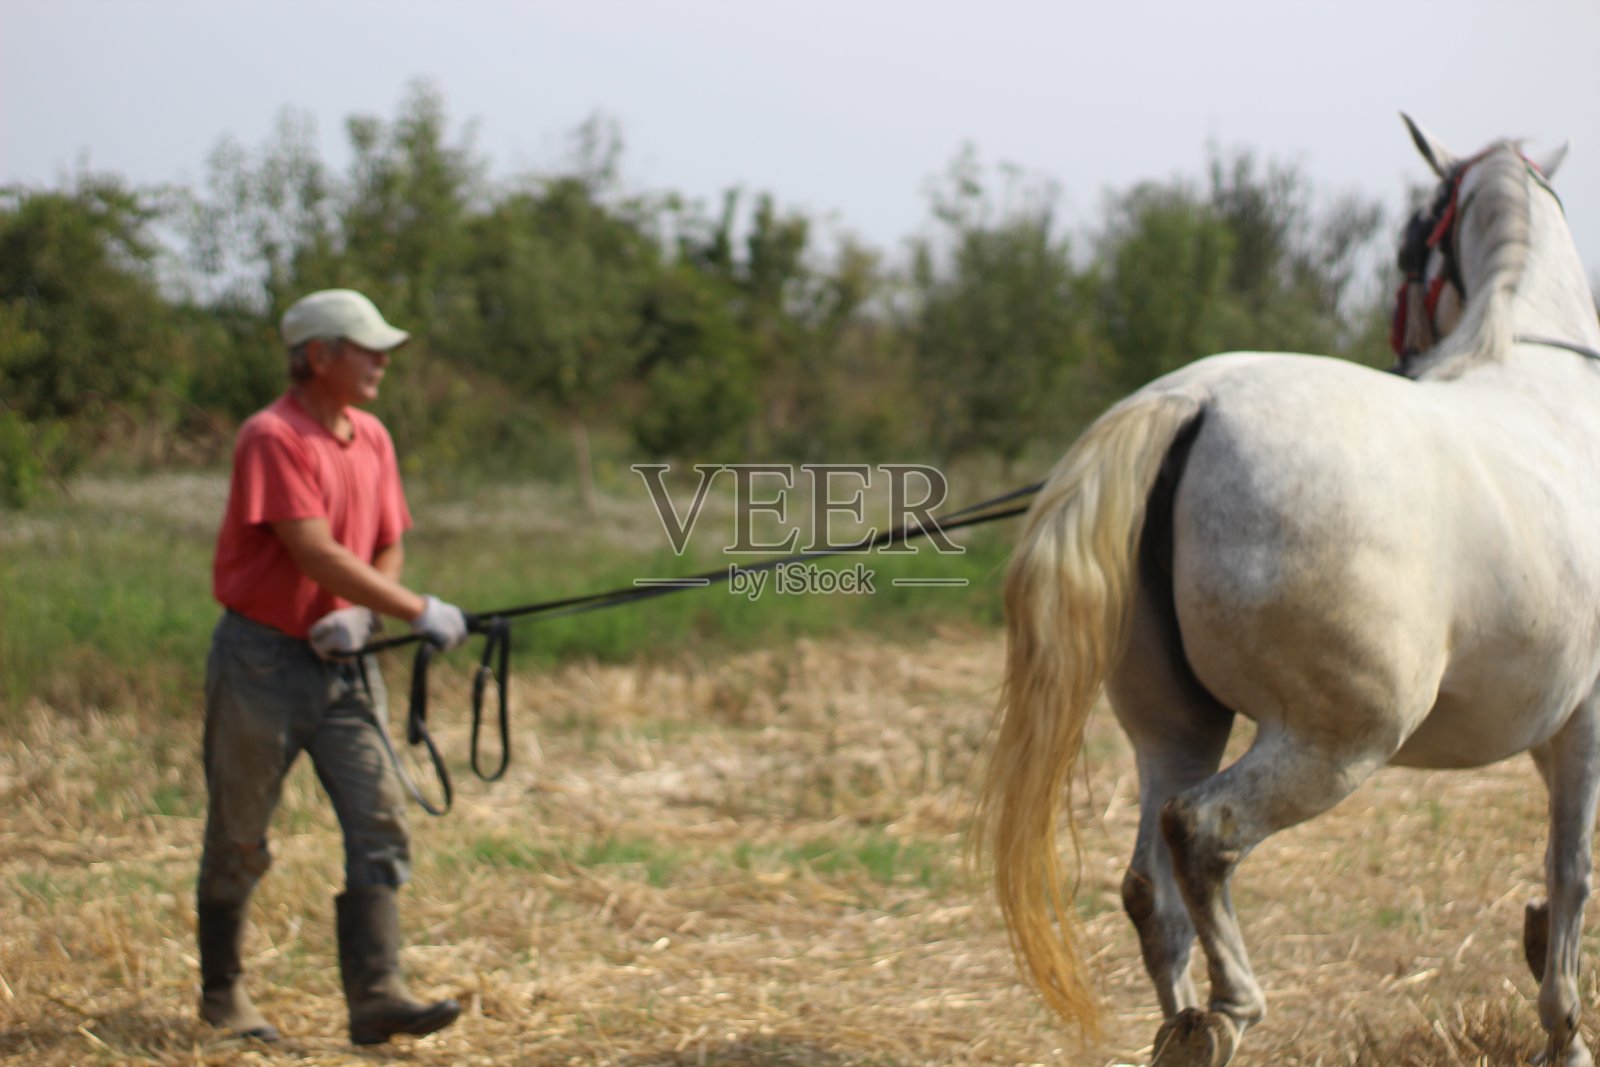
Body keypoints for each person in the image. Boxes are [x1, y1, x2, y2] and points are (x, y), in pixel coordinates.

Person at [197, 288, 470, 1045]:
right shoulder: (272, 436)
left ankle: (377, 995)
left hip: (347, 663)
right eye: (367, 348)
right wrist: (416, 609)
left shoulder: (373, 436)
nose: (383, 361)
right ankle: (223, 994)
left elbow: (387, 540)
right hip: (261, 661)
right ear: (318, 355)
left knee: (380, 816)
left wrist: (364, 614)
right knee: (240, 829)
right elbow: (314, 550)